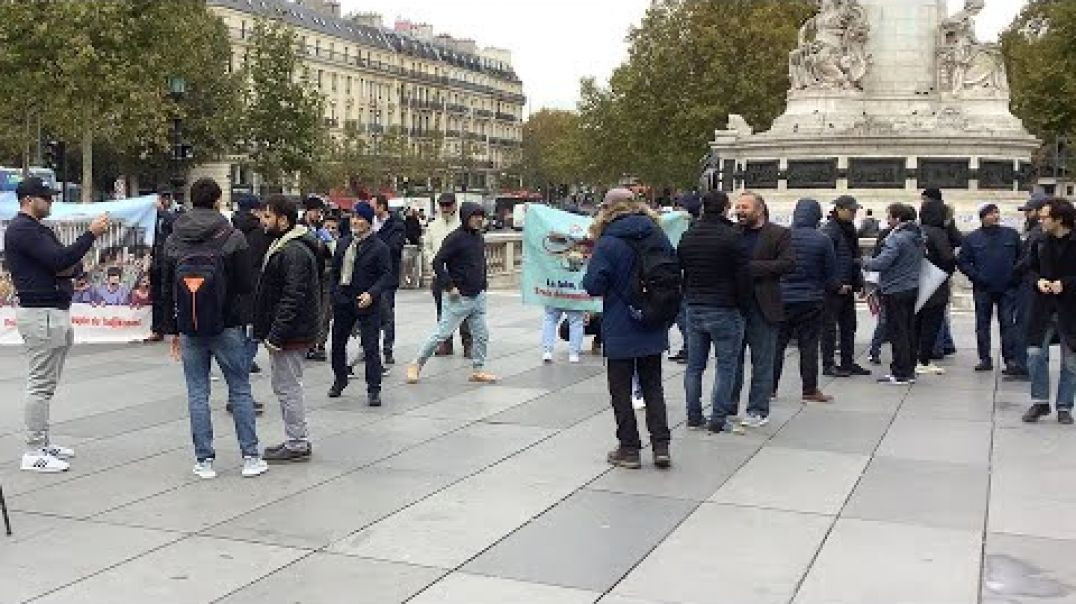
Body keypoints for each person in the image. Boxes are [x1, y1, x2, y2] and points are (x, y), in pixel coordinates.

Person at [160, 177, 267, 479]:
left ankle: (204, 460)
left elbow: (166, 286)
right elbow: (246, 283)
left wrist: (172, 327)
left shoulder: (173, 238)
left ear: (191, 200)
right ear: (218, 200)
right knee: (240, 389)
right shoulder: (231, 236)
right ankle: (250, 456)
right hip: (227, 324)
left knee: (197, 393)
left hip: (190, 325)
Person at [6, 177, 109, 472]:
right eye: (46, 197)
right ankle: (34, 449)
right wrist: (89, 235)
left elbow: (67, 264)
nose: (51, 202)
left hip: (52, 310)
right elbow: (60, 259)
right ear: (29, 200)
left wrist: (66, 265)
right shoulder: (23, 230)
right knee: (40, 384)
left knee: (47, 384)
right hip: (41, 313)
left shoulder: (37, 230)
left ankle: (43, 441)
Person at [582, 189, 673, 469]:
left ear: (607, 209)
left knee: (620, 390)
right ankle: (661, 446)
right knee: (653, 387)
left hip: (620, 323)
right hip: (653, 319)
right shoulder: (657, 234)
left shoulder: (608, 242)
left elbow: (593, 286)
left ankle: (629, 448)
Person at [255, 195, 322, 461]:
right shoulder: (286, 245)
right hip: (291, 330)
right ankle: (295, 439)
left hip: (291, 332)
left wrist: (276, 334)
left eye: (268, 216)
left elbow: (293, 295)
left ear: (283, 220)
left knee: (288, 386)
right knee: (285, 385)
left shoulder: (292, 250)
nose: (263, 220)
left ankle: (297, 442)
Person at [677, 190, 750, 433]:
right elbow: (743, 275)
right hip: (725, 307)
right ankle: (718, 417)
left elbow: (682, 270)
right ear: (725, 208)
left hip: (695, 305)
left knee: (695, 366)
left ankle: (693, 415)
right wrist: (742, 303)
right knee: (726, 365)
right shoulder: (732, 236)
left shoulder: (688, 236)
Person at [407, 202, 496, 384]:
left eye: (481, 216)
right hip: (458, 297)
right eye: (475, 216)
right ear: (466, 217)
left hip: (477, 296)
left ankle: (478, 370)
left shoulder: (478, 237)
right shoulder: (455, 238)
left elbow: (481, 261)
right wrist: (449, 286)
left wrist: (483, 283)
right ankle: (416, 364)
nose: (479, 219)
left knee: (481, 335)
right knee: (441, 334)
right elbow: (438, 262)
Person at [730, 191, 795, 428]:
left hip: (764, 306)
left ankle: (758, 409)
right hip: (735, 306)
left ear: (759, 209)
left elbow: (788, 264)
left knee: (763, 361)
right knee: (732, 360)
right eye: (738, 207)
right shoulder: (733, 233)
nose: (740, 211)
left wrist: (751, 268)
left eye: (745, 207)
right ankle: (729, 407)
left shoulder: (779, 234)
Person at [774, 198, 837, 403]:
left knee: (777, 345)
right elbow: (830, 272)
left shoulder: (781, 236)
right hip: (811, 299)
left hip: (782, 298)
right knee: (809, 346)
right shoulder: (822, 239)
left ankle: (769, 388)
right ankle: (809, 389)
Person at [329, 203, 393, 404]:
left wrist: (372, 294)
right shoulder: (343, 243)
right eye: (353, 218)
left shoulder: (379, 247)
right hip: (344, 299)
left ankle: (374, 388)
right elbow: (335, 271)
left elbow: (386, 275)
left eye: (360, 219)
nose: (355, 222)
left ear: (368, 222)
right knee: (338, 343)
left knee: (371, 346)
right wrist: (334, 293)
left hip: (366, 300)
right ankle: (340, 379)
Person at [1022, 198, 1076, 424]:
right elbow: (1027, 269)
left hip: (1071, 309)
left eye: (1045, 217)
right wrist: (1038, 281)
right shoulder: (1039, 240)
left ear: (1059, 219)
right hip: (1043, 307)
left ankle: (1064, 406)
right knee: (1034, 355)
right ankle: (1040, 401)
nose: (1040, 220)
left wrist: (1066, 284)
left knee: (1070, 361)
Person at [958, 203, 1025, 376]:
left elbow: (1022, 258)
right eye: (990, 213)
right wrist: (977, 277)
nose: (995, 216)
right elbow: (963, 262)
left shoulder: (1011, 235)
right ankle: (985, 358)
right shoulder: (972, 238)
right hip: (983, 288)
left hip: (1007, 288)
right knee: (982, 324)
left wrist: (1014, 277)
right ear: (982, 217)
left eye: (996, 213)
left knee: (1007, 324)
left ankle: (1010, 359)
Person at [862, 203, 923, 385]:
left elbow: (882, 262)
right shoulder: (917, 236)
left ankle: (900, 372)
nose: (887, 220)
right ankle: (909, 369)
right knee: (909, 330)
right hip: (911, 287)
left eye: (889, 217)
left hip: (895, 288)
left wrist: (865, 262)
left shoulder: (897, 239)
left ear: (898, 218)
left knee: (898, 332)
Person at [821, 196, 869, 377]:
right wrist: (836, 284)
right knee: (830, 327)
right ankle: (828, 364)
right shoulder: (830, 231)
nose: (854, 213)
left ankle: (847, 362)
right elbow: (826, 262)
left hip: (848, 286)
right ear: (839, 209)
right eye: (851, 210)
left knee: (849, 326)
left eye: (855, 210)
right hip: (834, 289)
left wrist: (859, 282)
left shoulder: (849, 230)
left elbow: (854, 259)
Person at [423, 193, 471, 357]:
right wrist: (432, 260)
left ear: (455, 205)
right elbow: (427, 246)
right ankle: (445, 343)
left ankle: (468, 344)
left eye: (448, 205)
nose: (445, 208)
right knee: (442, 311)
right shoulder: (433, 226)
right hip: (440, 274)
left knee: (465, 310)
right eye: (442, 205)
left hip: (460, 275)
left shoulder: (463, 225)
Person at [915, 200, 957, 376]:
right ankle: (924, 359)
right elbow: (948, 258)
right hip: (935, 284)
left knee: (917, 323)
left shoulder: (918, 230)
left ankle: (914, 357)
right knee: (931, 324)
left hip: (917, 283)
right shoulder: (938, 233)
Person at [231, 194, 270, 377]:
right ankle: (240, 380)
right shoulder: (260, 233)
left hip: (235, 290)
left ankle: (237, 371)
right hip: (256, 288)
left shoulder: (230, 230)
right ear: (255, 210)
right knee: (252, 336)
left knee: (238, 336)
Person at [300, 195, 332, 362]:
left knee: (324, 311)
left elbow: (330, 249)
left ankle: (320, 344)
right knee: (309, 310)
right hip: (306, 276)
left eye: (320, 212)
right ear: (308, 211)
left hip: (322, 274)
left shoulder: (321, 229)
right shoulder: (300, 228)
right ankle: (309, 343)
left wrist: (326, 243)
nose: (319, 215)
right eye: (317, 212)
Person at [374, 195, 405, 366]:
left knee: (387, 313)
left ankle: (387, 348)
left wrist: (375, 241)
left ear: (382, 207)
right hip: (369, 275)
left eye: (374, 206)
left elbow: (395, 247)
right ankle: (369, 346)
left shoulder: (396, 224)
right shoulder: (369, 223)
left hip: (387, 276)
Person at [148, 186, 176, 341]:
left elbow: (175, 223)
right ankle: (157, 328)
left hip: (170, 259)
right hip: (157, 260)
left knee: (169, 294)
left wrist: (162, 212)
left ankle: (170, 326)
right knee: (157, 294)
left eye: (166, 197)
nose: (164, 200)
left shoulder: (177, 212)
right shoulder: (153, 216)